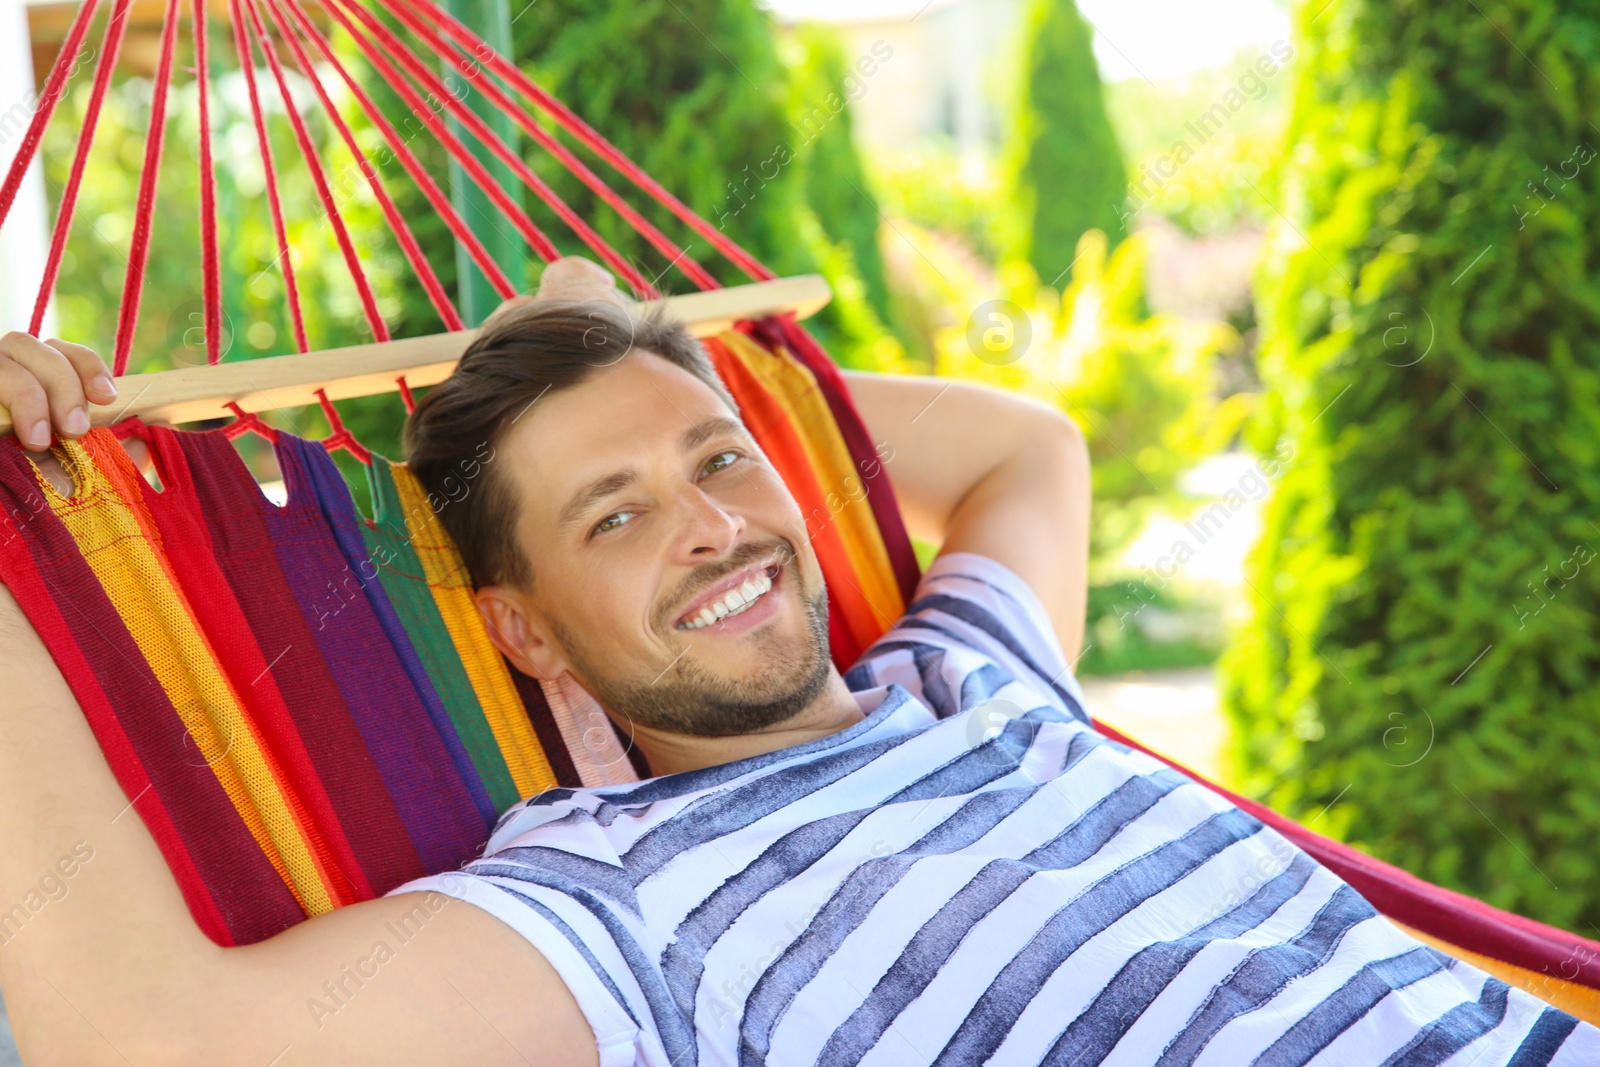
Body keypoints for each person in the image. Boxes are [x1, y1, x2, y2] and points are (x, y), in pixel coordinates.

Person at [0, 257, 1591, 1066]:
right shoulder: (613, 904)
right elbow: (158, 1042)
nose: (714, 526)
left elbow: (1020, 451)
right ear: (525, 633)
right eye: (614, 514)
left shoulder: (973, 679)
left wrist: (642, 345)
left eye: (724, 461)